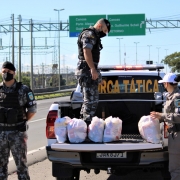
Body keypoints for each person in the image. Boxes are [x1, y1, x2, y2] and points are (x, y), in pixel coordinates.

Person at [0, 61, 37, 180]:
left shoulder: (24, 90)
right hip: (1, 134)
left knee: (21, 167)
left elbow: (32, 110)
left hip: (18, 133)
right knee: (0, 167)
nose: (6, 74)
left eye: (9, 72)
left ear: (14, 73)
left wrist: (23, 120)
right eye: (4, 71)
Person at [75, 18, 111, 125]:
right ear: (99, 26)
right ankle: (84, 126)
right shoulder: (89, 34)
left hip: (89, 70)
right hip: (86, 70)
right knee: (89, 102)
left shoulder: (94, 36)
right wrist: (92, 69)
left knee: (92, 101)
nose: (104, 34)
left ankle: (83, 125)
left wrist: (96, 73)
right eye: (104, 31)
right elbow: (86, 51)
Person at [150, 73, 180, 180]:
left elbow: (179, 116)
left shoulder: (177, 97)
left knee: (175, 169)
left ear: (166, 84)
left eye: (163, 84)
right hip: (174, 135)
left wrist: (162, 116)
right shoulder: (172, 96)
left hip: (177, 136)